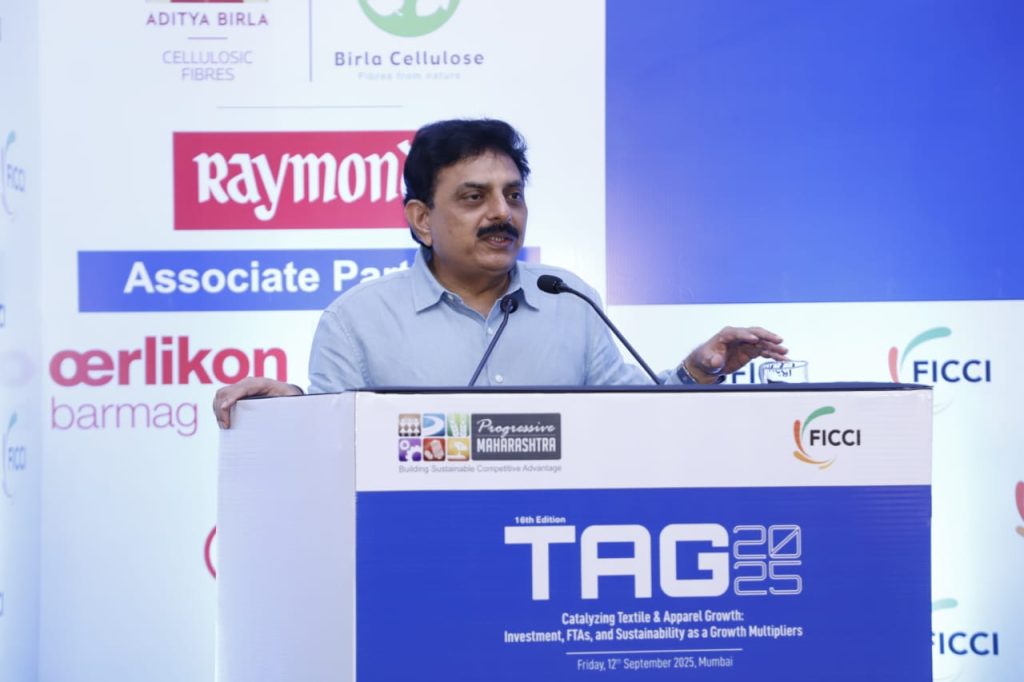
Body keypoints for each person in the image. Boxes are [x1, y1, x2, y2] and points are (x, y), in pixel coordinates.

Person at [214, 119, 788, 428]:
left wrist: (697, 371)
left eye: (513, 195)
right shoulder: (357, 321)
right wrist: (291, 410)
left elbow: (630, 418)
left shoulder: (568, 299)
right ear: (422, 219)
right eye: (474, 197)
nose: (502, 214)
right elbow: (334, 442)